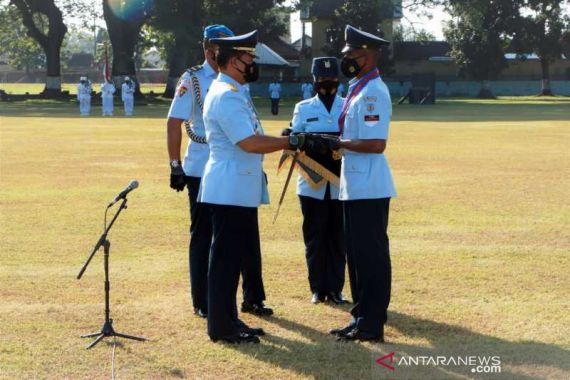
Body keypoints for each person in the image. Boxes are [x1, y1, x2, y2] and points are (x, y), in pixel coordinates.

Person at [198, 30, 322, 343]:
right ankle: (222, 327)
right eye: (248, 58)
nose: (253, 63)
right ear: (232, 61)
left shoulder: (235, 90)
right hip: (229, 187)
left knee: (232, 257)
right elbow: (249, 143)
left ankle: (229, 320)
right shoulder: (226, 95)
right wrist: (292, 140)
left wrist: (285, 139)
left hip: (236, 187)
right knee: (225, 261)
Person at [166, 25, 273, 321]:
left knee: (246, 235)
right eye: (218, 45)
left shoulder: (238, 80)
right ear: (207, 47)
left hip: (241, 166)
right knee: (205, 237)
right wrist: (175, 164)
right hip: (204, 167)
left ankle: (253, 296)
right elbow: (174, 122)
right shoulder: (193, 79)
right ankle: (203, 300)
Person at [325, 25, 397, 342]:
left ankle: (372, 323)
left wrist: (337, 143)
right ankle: (360, 316)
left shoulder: (373, 92)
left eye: (351, 54)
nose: (347, 59)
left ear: (366, 56)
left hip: (369, 186)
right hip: (355, 185)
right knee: (355, 255)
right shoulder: (357, 88)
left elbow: (376, 143)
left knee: (371, 256)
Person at [288, 57, 347, 305]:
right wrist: (292, 137)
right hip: (311, 184)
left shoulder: (347, 106)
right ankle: (317, 288)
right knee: (314, 237)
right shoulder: (303, 108)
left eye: (332, 78)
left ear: (338, 79)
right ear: (314, 80)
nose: (327, 83)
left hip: (340, 183)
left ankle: (335, 289)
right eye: (322, 79)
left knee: (338, 237)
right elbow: (293, 138)